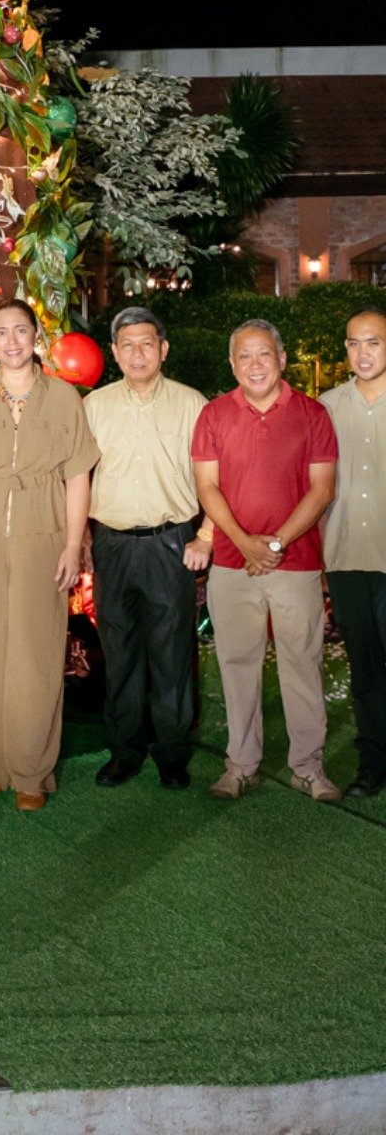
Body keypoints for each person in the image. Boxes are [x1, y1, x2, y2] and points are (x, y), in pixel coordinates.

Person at [0, 300, 99, 812]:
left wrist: (73, 546)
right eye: (1, 332)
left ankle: (32, 772)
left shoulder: (64, 398)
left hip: (43, 534)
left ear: (36, 337)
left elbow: (78, 476)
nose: (11, 341)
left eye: (21, 330)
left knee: (36, 651)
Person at [192, 318, 339, 802]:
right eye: (244, 356)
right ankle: (241, 763)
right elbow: (207, 487)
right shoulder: (213, 415)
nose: (255, 365)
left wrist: (273, 544)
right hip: (233, 566)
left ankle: (308, 766)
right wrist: (243, 541)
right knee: (236, 663)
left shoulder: (312, 414)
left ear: (280, 359)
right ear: (232, 365)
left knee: (302, 661)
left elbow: (322, 490)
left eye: (263, 354)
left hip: (295, 565)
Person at [83, 307, 212, 791]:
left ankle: (173, 752)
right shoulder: (93, 406)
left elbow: (216, 479)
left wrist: (207, 536)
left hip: (170, 544)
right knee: (119, 652)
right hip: (111, 544)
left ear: (163, 349)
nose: (137, 353)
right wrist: (78, 540)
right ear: (114, 353)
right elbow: (79, 480)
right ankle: (125, 750)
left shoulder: (192, 404)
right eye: (127, 345)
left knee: (172, 652)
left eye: (147, 343)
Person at [320, 308, 386, 799]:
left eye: (374, 343)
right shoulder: (325, 408)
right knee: (364, 669)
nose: (364, 353)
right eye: (354, 343)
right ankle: (373, 763)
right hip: (345, 558)